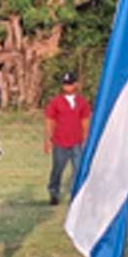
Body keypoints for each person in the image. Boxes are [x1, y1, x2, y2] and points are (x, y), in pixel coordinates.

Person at [43, 71, 91, 205]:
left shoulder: (82, 102)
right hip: (60, 142)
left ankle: (75, 195)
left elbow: (85, 121)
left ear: (76, 85)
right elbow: (49, 120)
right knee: (57, 169)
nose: (67, 87)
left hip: (77, 142)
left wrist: (86, 139)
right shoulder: (56, 102)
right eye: (65, 85)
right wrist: (47, 139)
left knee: (77, 169)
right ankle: (54, 192)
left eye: (70, 84)